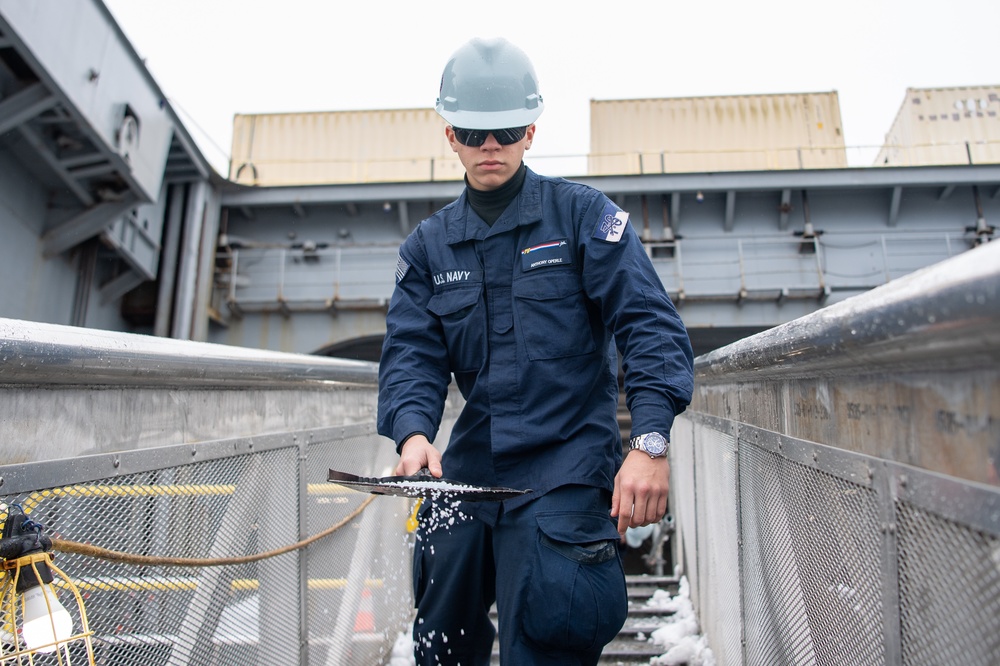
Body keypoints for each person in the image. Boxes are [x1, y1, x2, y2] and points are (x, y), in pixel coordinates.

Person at [377, 37, 694, 665]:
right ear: (450, 136)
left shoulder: (583, 218)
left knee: (552, 625)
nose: (488, 146)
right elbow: (411, 352)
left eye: (504, 131)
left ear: (530, 131)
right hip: (470, 469)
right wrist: (413, 434)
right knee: (441, 627)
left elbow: (648, 325)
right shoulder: (428, 248)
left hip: (566, 465)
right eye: (472, 132)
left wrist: (650, 443)